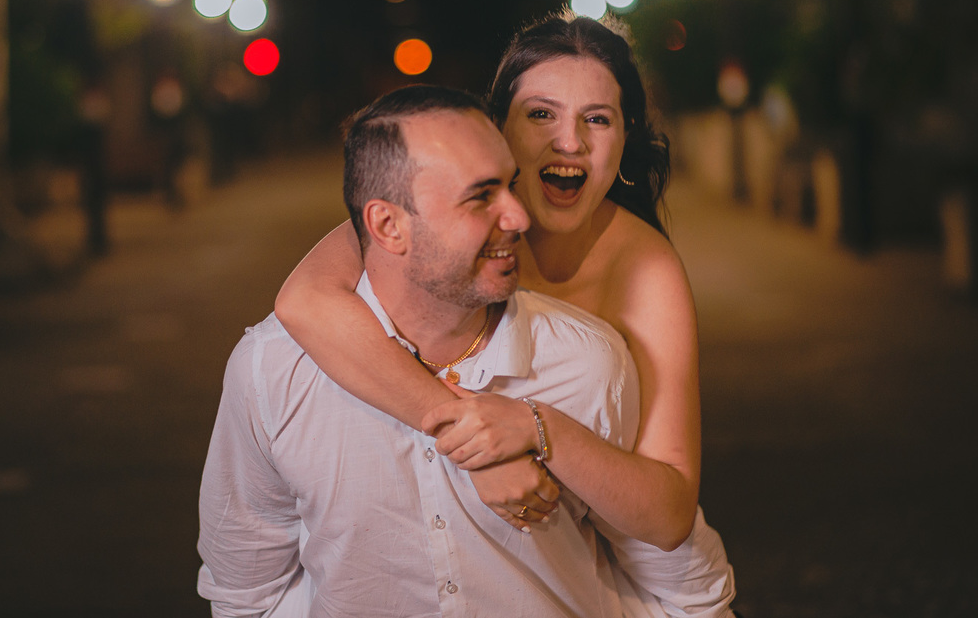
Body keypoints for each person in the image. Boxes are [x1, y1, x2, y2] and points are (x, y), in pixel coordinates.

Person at [274, 12, 736, 615]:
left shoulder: (646, 267)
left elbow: (669, 511)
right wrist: (469, 437)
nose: (569, 142)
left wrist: (535, 429)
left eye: (598, 119)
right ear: (496, 130)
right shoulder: (435, 224)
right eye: (541, 114)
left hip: (621, 572)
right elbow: (303, 301)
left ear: (626, 140)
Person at [200, 86, 652, 616]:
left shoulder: (586, 362)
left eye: (509, 185)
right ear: (387, 226)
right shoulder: (273, 370)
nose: (520, 216)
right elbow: (247, 591)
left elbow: (665, 569)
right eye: (480, 196)